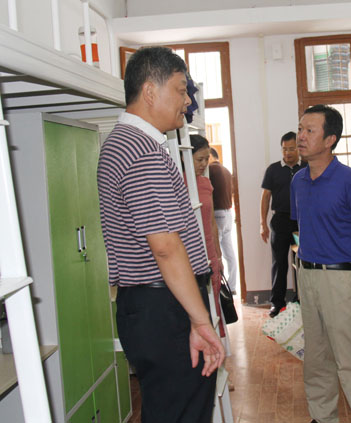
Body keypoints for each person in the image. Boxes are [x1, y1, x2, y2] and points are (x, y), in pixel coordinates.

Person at [97, 46, 224, 423]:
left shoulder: (123, 143)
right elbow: (166, 247)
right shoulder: (141, 152)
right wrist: (200, 320)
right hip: (165, 308)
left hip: (151, 305)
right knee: (183, 412)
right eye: (181, 90)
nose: (187, 102)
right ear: (150, 91)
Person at [291, 104, 351, 423]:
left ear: (330, 140)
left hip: (341, 279)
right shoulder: (298, 180)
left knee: (350, 359)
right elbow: (303, 226)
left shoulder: (350, 181)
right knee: (316, 359)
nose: (301, 136)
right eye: (300, 129)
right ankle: (322, 417)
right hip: (308, 275)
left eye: (309, 131)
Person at [260, 131, 307, 318]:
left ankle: (301, 299)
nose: (287, 153)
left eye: (291, 148)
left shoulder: (306, 167)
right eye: (284, 149)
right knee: (279, 263)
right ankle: (277, 303)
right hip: (280, 221)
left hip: (301, 223)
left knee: (302, 261)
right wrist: (262, 223)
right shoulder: (273, 169)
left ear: (298, 149)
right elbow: (265, 197)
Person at [190, 134, 226, 338]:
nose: (204, 164)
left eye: (206, 159)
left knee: (214, 304)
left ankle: (215, 347)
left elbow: (212, 222)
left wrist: (218, 256)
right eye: (199, 159)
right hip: (190, 254)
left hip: (209, 251)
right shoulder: (175, 183)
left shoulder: (205, 183)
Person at [208, 148, 237, 294]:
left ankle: (219, 287)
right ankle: (232, 286)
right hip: (228, 213)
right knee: (229, 253)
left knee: (216, 252)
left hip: (217, 214)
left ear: (210, 156)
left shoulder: (211, 169)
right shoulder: (226, 170)